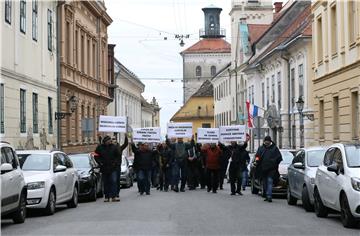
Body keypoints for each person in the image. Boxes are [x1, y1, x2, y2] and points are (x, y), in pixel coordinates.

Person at [255, 136, 282, 202]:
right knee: (265, 183)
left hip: (271, 169)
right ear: (264, 141)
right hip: (263, 169)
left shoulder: (274, 148)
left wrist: (275, 163)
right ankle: (267, 195)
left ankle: (269, 196)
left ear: (270, 141)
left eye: (268, 141)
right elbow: (257, 156)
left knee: (270, 181)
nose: (267, 142)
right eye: (266, 141)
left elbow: (279, 158)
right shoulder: (261, 148)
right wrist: (257, 161)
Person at [94, 135, 120, 202]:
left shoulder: (114, 147)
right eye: (108, 140)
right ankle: (107, 196)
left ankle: (114, 196)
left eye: (110, 140)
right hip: (104, 168)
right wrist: (100, 162)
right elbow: (96, 155)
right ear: (105, 141)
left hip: (113, 168)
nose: (109, 141)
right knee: (106, 182)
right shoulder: (100, 147)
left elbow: (118, 155)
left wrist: (115, 163)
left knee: (113, 181)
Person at [112, 134, 128, 201]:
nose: (114, 141)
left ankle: (117, 193)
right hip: (111, 167)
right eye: (112, 140)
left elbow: (125, 144)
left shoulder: (119, 148)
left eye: (115, 140)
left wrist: (126, 137)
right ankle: (113, 194)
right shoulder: (110, 148)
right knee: (113, 181)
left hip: (118, 167)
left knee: (117, 180)